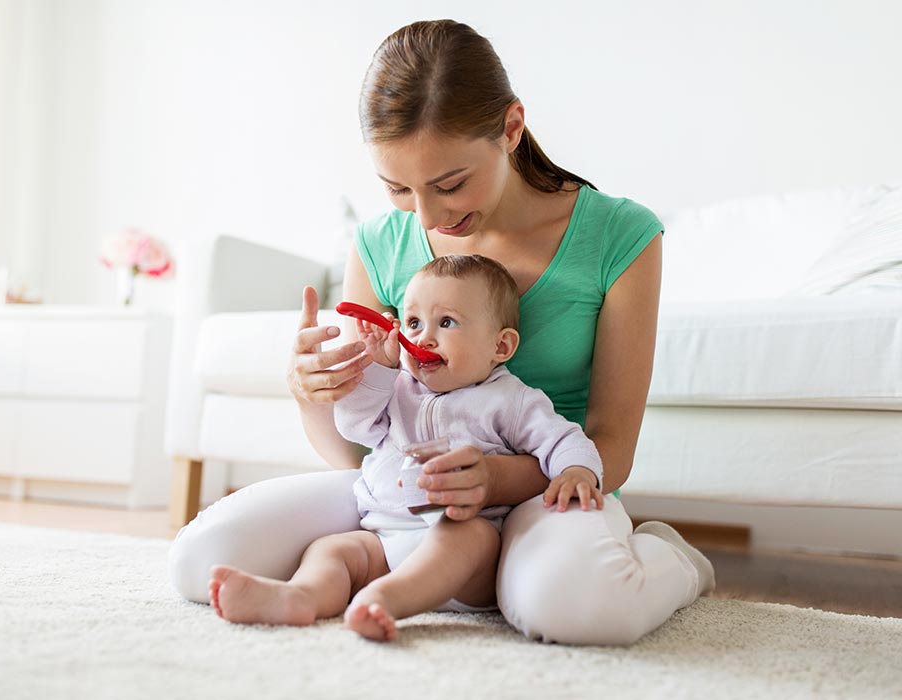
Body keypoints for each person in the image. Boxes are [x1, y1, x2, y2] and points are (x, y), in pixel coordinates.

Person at [169, 18, 715, 645]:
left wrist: (493, 476)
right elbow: (355, 450)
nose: (427, 216)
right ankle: (381, 583)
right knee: (195, 563)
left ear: (511, 128)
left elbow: (611, 447)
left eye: (450, 183)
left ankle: (673, 560)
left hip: (545, 491)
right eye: (398, 188)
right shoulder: (377, 242)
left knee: (578, 610)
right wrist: (312, 389)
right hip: (402, 486)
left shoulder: (620, 234)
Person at [208, 254, 604, 641]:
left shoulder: (511, 400)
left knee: (470, 538)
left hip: (468, 555)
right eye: (413, 323)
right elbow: (355, 427)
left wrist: (576, 471)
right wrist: (378, 369)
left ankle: (385, 600)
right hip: (384, 537)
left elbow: (564, 439)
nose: (423, 337)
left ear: (500, 347)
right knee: (332, 550)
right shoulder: (397, 388)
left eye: (446, 322)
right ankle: (301, 596)